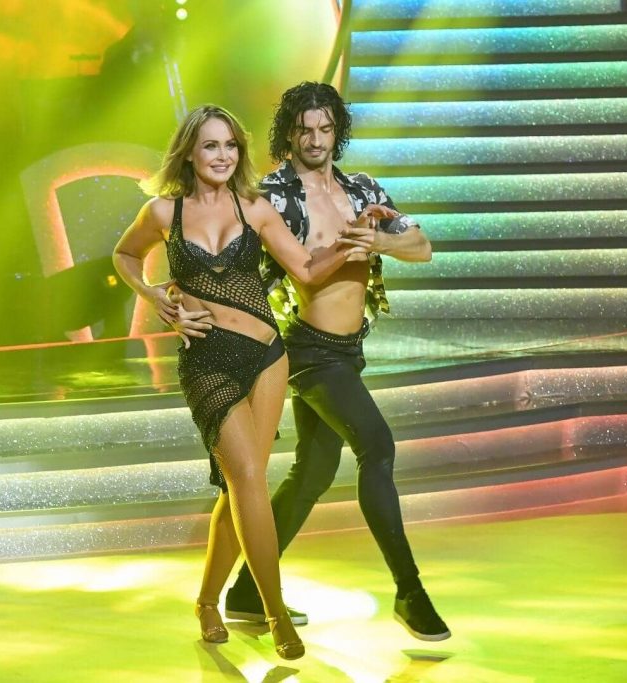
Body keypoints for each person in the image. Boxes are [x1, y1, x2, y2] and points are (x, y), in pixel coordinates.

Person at [112, 104, 390, 659]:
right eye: (210, 145)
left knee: (244, 486)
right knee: (247, 480)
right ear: (189, 152)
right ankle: (275, 611)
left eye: (231, 145)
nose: (222, 156)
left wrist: (352, 239)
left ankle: (207, 601)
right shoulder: (163, 211)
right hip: (207, 362)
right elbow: (124, 255)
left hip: (267, 357)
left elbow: (306, 269)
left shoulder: (256, 208)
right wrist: (153, 297)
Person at [223, 82, 451, 641]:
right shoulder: (273, 197)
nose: (316, 139)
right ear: (289, 133)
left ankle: (247, 592)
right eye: (305, 130)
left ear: (337, 131)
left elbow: (422, 246)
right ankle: (410, 592)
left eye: (325, 128)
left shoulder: (362, 190)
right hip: (307, 350)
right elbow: (268, 264)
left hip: (350, 352)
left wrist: (377, 242)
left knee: (315, 470)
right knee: (377, 446)